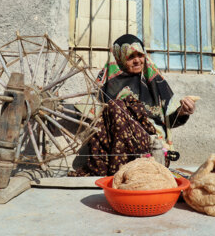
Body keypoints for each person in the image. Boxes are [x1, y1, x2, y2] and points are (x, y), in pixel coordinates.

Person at [69, 34, 196, 176]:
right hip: (117, 154)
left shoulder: (154, 83)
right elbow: (87, 109)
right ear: (119, 58)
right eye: (131, 57)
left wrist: (184, 111)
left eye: (140, 55)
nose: (137, 61)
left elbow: (169, 120)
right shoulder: (107, 84)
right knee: (114, 107)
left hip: (153, 150)